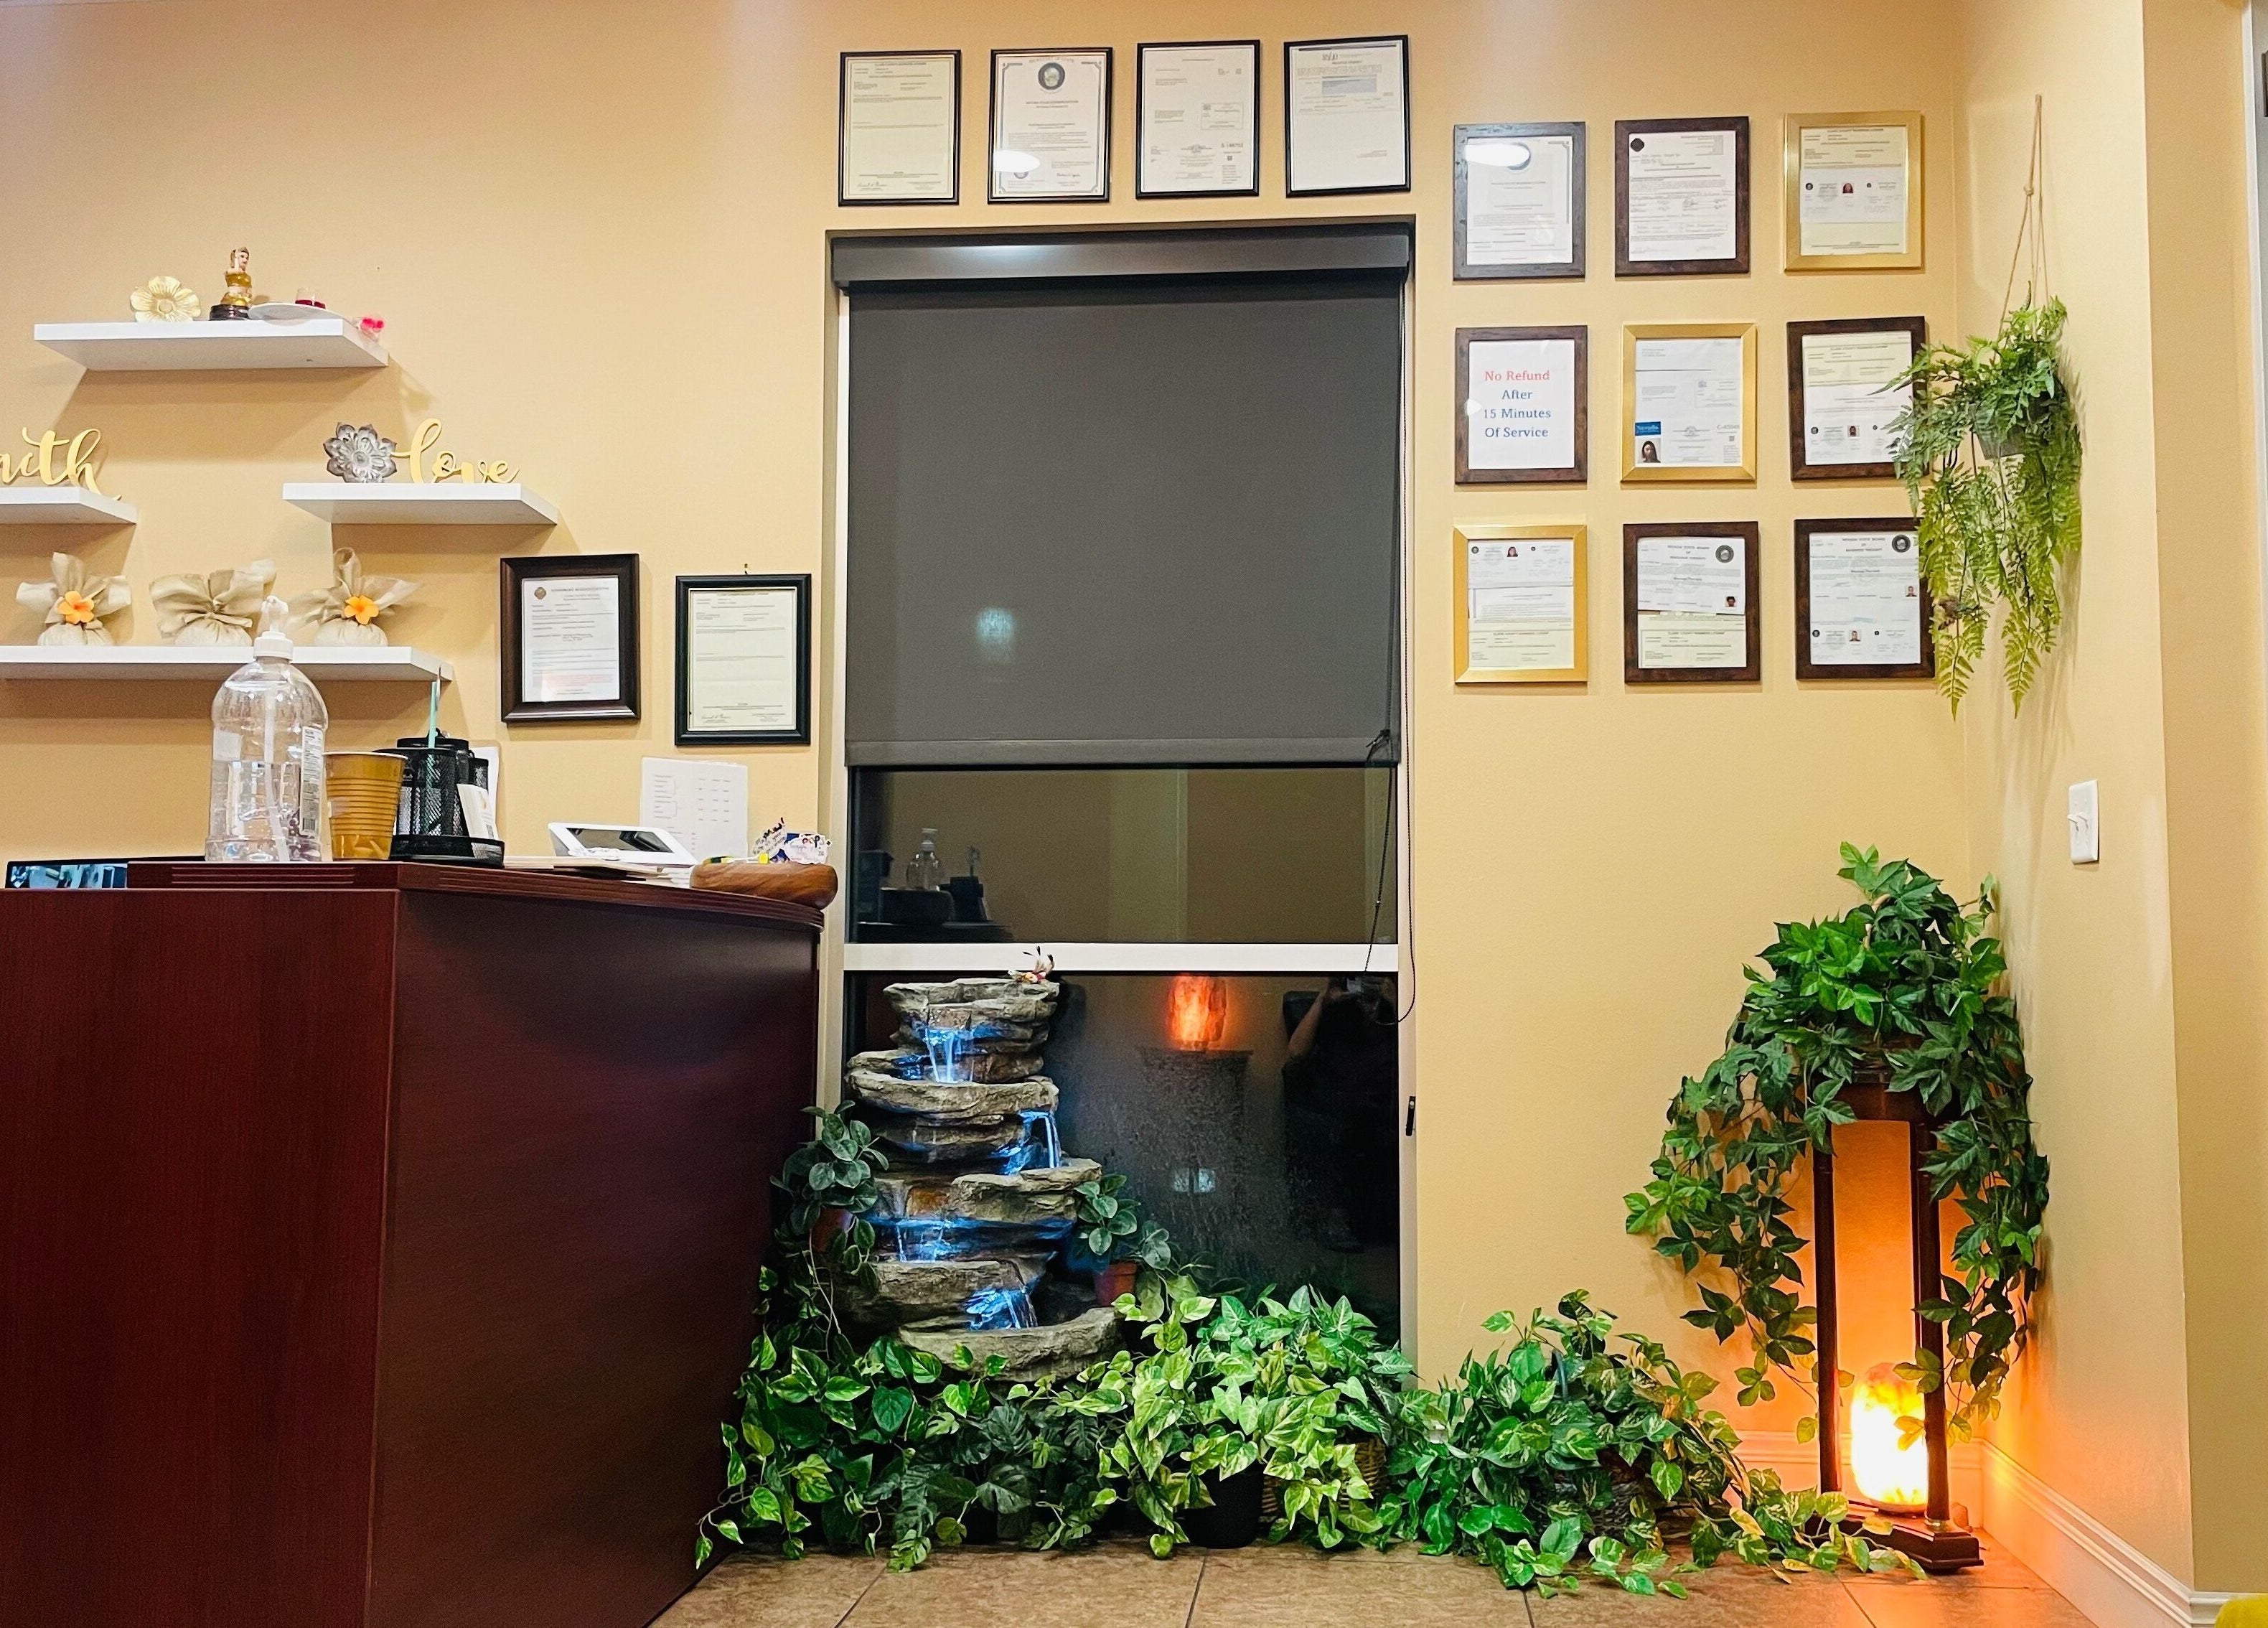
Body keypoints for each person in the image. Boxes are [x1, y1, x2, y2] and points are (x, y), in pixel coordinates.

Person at [1282, 977, 1400, 1253]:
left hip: (1381, 1103)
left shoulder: (1392, 1011)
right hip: (1339, 1103)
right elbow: (1295, 1055)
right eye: (1360, 980)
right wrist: (1323, 1000)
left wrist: (1394, 996)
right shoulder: (1336, 1011)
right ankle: (1335, 1217)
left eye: (1374, 980)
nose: (1366, 988)